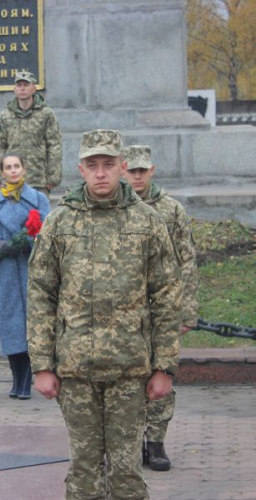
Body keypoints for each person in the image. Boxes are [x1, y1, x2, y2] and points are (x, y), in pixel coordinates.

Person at [27, 130, 182, 500]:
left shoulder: (147, 222)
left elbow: (166, 296)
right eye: (93, 165)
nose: (101, 173)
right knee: (83, 469)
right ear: (81, 169)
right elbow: (40, 295)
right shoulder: (60, 222)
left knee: (127, 471)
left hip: (130, 368)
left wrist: (165, 367)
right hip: (75, 368)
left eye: (108, 165)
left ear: (123, 167)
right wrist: (41, 365)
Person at [122, 144, 199, 472]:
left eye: (143, 170)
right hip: (126, 312)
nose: (138, 176)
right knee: (127, 378)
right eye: (132, 170)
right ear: (123, 170)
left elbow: (187, 260)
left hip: (162, 309)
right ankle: (131, 442)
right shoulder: (117, 207)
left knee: (162, 376)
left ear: (152, 170)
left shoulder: (171, 210)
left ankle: (155, 444)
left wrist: (187, 310)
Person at [0, 152, 50, 400]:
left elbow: (49, 230)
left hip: (31, 269)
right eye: (8, 167)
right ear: (2, 173)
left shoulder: (38, 199)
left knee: (30, 323)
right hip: (6, 271)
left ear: (24, 169)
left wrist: (30, 241)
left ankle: (27, 377)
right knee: (10, 324)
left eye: (17, 166)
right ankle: (16, 376)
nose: (13, 171)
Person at [0, 71, 63, 195]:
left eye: (26, 85)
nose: (22, 88)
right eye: (19, 85)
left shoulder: (46, 114)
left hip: (39, 180)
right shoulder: (6, 115)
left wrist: (53, 177)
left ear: (34, 88)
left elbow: (54, 145)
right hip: (12, 180)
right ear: (14, 89)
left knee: (38, 214)